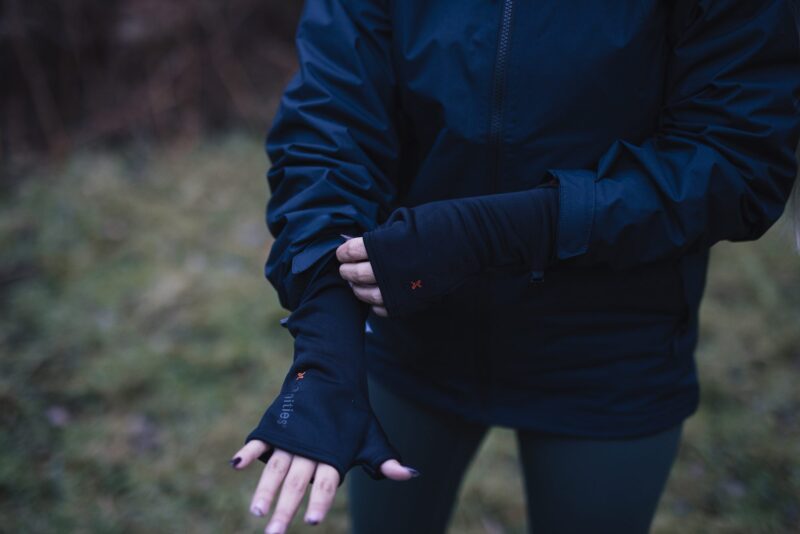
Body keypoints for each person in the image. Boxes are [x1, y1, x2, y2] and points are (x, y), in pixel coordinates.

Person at [229, 0, 800, 532]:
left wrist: (495, 231)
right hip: (412, 323)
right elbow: (330, 121)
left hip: (610, 348)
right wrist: (327, 337)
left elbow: (736, 159)